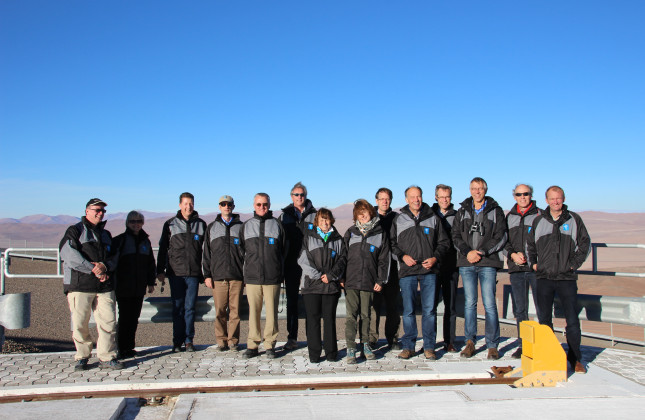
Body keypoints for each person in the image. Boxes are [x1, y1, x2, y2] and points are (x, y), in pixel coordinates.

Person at [527, 185, 591, 373]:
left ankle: (575, 358)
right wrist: (534, 264)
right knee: (544, 321)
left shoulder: (573, 219)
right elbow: (530, 245)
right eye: (552, 199)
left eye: (559, 198)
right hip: (544, 278)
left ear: (563, 199)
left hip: (566, 278)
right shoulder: (539, 221)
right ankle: (548, 356)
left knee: (572, 320)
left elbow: (585, 243)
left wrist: (573, 264)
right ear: (546, 200)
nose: (556, 202)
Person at [59, 198, 123, 370]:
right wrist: (93, 269)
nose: (100, 213)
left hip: (104, 286)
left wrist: (105, 267)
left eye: (103, 211)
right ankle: (82, 356)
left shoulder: (106, 235)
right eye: (97, 210)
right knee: (80, 323)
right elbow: (68, 254)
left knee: (108, 322)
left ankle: (107, 356)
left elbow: (114, 257)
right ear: (87, 211)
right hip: (80, 285)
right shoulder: (75, 231)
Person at [391, 186, 450, 360]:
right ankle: (409, 346)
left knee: (429, 311)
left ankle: (429, 347)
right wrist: (402, 257)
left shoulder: (433, 217)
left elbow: (444, 243)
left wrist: (435, 258)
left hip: (429, 270)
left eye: (419, 196)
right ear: (407, 199)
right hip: (407, 271)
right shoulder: (399, 219)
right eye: (412, 197)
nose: (416, 200)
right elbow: (392, 244)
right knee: (408, 311)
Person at [453, 177, 507, 360]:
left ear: (485, 189)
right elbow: (455, 236)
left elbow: (501, 236)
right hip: (467, 263)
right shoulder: (462, 211)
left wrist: (482, 252)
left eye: (480, 188)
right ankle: (470, 342)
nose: (477, 192)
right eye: (474, 188)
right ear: (470, 190)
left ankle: (492, 345)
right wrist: (468, 252)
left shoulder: (495, 211)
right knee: (470, 303)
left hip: (488, 263)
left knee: (490, 304)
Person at [341, 199, 390, 364]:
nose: (363, 216)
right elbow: (342, 257)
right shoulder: (351, 232)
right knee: (351, 317)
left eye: (365, 212)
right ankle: (350, 347)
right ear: (356, 215)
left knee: (366, 315)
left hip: (369, 282)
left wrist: (381, 279)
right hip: (351, 281)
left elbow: (384, 260)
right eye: (359, 213)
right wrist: (341, 277)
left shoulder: (379, 234)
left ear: (371, 213)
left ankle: (366, 345)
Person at [157, 192, 207, 353]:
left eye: (191, 203)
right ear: (180, 205)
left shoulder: (201, 224)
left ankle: (189, 341)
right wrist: (160, 270)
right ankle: (177, 342)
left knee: (190, 308)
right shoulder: (170, 224)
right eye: (185, 203)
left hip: (193, 273)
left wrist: (205, 273)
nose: (188, 206)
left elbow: (207, 251)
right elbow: (163, 248)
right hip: (175, 273)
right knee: (177, 308)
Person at [241, 193, 286, 359]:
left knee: (272, 314)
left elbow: (283, 250)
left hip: (272, 277)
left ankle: (270, 345)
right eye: (259, 204)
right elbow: (241, 252)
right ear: (254, 205)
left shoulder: (277, 225)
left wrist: (278, 270)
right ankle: (253, 345)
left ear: (269, 204)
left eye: (265, 204)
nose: (262, 207)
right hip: (252, 277)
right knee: (254, 312)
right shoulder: (246, 226)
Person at [298, 208, 344, 363]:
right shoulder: (308, 237)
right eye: (321, 219)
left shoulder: (338, 239)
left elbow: (343, 260)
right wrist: (318, 275)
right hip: (311, 286)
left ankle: (331, 353)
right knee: (313, 321)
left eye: (327, 219)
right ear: (316, 221)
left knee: (329, 320)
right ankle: (314, 354)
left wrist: (331, 275)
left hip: (330, 287)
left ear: (331, 220)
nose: (325, 222)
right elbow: (303, 259)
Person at [203, 195, 244, 352]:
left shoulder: (241, 226)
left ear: (233, 206)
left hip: (237, 276)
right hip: (218, 277)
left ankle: (233, 340)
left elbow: (246, 253)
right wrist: (207, 274)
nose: (226, 206)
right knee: (220, 311)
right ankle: (221, 340)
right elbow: (206, 253)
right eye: (223, 204)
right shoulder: (212, 227)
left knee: (235, 312)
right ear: (219, 206)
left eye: (229, 204)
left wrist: (245, 275)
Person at [112, 211, 156, 359]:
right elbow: (113, 263)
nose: (136, 224)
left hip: (139, 287)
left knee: (134, 318)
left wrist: (151, 282)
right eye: (132, 221)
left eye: (139, 221)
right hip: (123, 287)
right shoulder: (120, 240)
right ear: (127, 223)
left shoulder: (145, 241)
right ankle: (121, 348)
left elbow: (150, 263)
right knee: (124, 318)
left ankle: (129, 347)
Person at [504, 184, 541, 359]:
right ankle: (523, 345)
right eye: (519, 194)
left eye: (526, 194)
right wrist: (512, 255)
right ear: (514, 196)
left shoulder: (541, 215)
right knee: (520, 309)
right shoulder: (509, 217)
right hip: (516, 269)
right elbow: (504, 241)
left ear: (531, 195)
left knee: (542, 308)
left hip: (536, 269)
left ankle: (541, 345)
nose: (523, 197)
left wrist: (535, 259)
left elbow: (546, 241)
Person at [279, 182, 317, 351]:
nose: (299, 197)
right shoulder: (284, 216)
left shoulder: (315, 215)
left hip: (310, 265)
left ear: (306, 196)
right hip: (291, 264)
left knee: (311, 302)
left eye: (302, 194)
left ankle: (312, 338)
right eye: (296, 195)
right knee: (292, 302)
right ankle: (292, 338)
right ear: (291, 196)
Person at [368, 187, 401, 350]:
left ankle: (392, 338)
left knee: (392, 305)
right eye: (381, 199)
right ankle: (372, 338)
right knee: (374, 305)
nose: (384, 201)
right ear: (376, 201)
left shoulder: (397, 218)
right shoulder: (370, 217)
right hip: (374, 269)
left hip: (393, 268)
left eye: (387, 199)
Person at [431, 184, 459, 353]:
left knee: (451, 305)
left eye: (447, 197)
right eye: (441, 197)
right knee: (431, 306)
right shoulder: (430, 215)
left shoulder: (458, 216)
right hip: (434, 267)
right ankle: (431, 341)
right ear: (436, 198)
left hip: (451, 266)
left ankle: (449, 341)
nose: (444, 200)